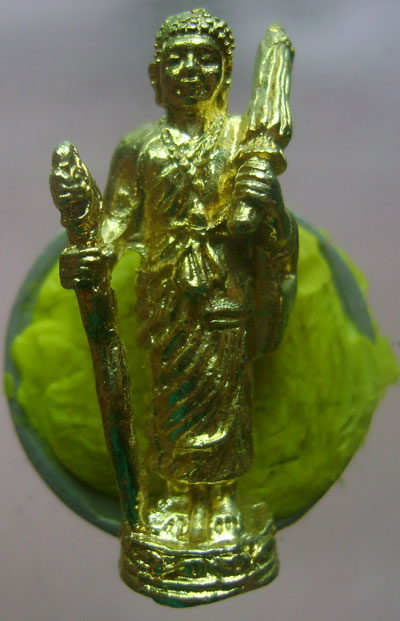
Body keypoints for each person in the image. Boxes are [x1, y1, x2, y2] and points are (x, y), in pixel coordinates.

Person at [53, 9, 298, 543]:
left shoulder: (242, 141)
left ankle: (222, 496)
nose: (190, 70)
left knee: (226, 396)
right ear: (155, 76)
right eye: (176, 59)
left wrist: (264, 204)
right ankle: (180, 496)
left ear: (226, 73)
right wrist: (91, 256)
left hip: (224, 293)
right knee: (172, 398)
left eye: (205, 58)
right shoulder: (140, 147)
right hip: (165, 296)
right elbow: (117, 223)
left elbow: (276, 238)